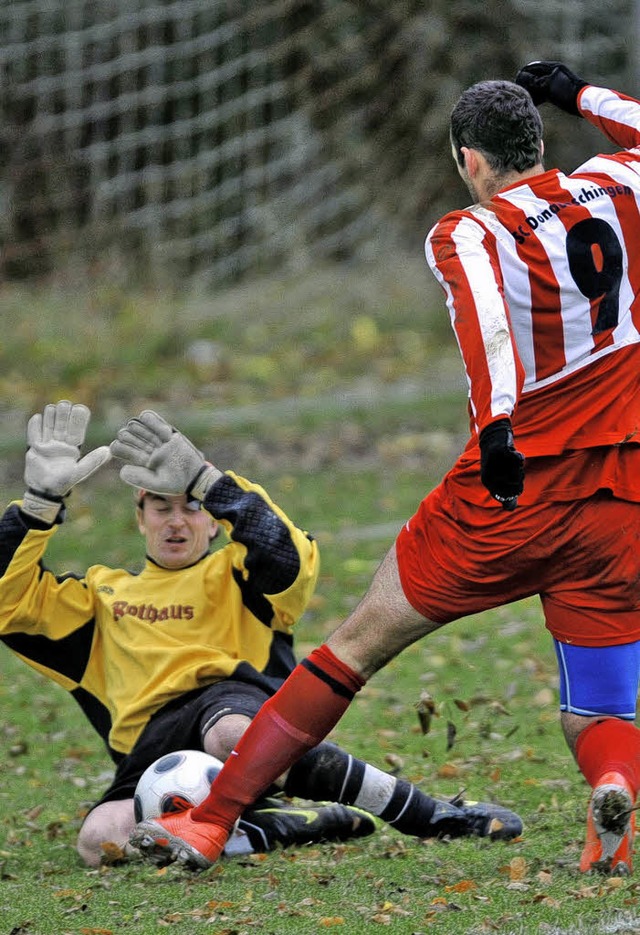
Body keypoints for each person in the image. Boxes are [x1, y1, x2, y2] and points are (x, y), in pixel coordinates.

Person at [115, 61, 640, 878]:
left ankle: (212, 820)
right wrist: (581, 94)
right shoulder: (619, 177)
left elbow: (489, 330)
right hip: (621, 493)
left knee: (356, 645)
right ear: (541, 141)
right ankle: (613, 783)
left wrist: (498, 430)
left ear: (469, 160)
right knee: (600, 706)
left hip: (511, 489)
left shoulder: (466, 230)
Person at [0, 401, 521, 868]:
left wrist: (210, 482)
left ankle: (424, 813)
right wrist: (40, 502)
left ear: (210, 522)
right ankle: (278, 826)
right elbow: (7, 602)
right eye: (161, 507)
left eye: (190, 507)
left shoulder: (236, 573)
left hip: (235, 708)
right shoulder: (97, 596)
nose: (176, 521)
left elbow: (287, 557)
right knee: (99, 840)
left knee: (229, 734)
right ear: (140, 519)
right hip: (151, 750)